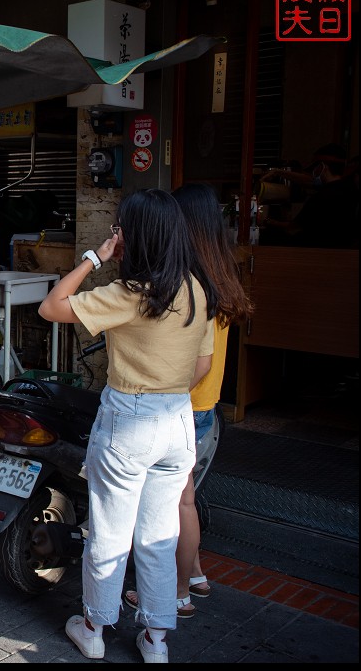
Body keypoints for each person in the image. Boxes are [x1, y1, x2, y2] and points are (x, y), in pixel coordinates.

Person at [37, 188, 217, 664]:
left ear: (133, 237)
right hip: (177, 420)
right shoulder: (195, 290)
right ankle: (156, 639)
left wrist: (96, 255)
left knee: (111, 532)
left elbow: (52, 306)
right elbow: (202, 363)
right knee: (159, 535)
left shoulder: (132, 294)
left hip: (129, 419)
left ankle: (95, 626)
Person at [124, 183, 254, 618]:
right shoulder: (223, 276)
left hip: (180, 405)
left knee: (175, 505)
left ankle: (175, 591)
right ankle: (194, 572)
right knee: (185, 499)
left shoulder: (190, 282)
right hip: (206, 406)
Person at [260, 143, 357, 248]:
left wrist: (266, 220)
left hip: (316, 252)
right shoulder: (349, 189)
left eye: (315, 166)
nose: (313, 172)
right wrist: (278, 172)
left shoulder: (322, 197)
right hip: (340, 250)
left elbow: (292, 228)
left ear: (322, 167)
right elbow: (309, 181)